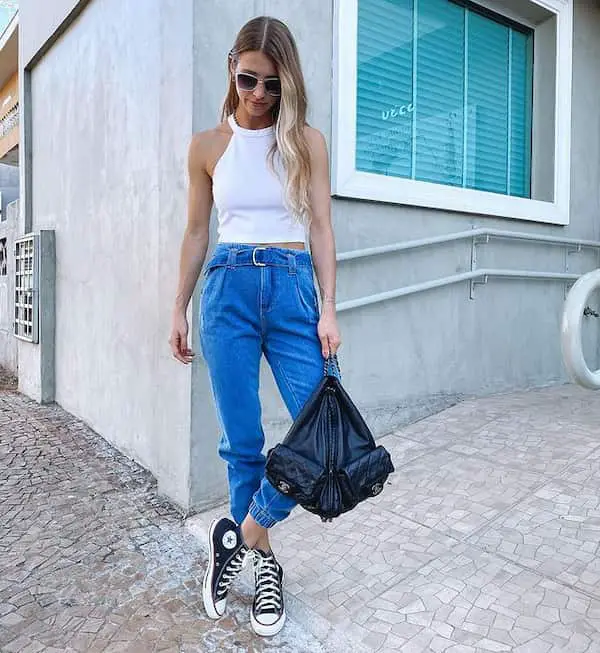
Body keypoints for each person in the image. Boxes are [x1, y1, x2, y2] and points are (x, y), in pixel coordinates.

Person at [168, 15, 341, 638]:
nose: (260, 94)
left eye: (273, 83)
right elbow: (195, 231)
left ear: (287, 83)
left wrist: (327, 306)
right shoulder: (207, 147)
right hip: (228, 289)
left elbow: (320, 226)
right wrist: (179, 304)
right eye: (249, 79)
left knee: (324, 435)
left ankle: (241, 537)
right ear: (232, 72)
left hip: (295, 290)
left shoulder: (308, 143)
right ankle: (262, 566)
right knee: (242, 442)